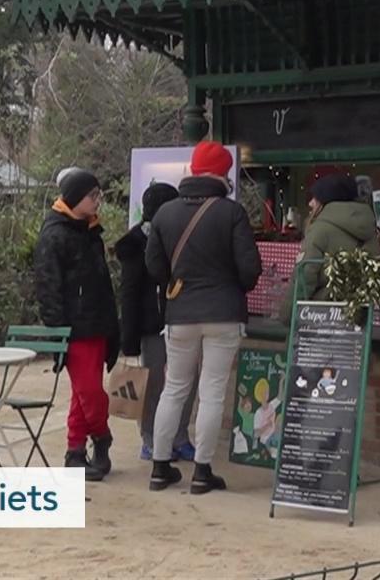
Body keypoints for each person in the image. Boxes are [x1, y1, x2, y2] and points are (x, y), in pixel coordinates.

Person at [143, 141, 261, 494]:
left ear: (192, 171)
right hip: (224, 312)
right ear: (223, 174)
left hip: (180, 313)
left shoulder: (164, 213)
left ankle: (160, 467)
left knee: (174, 389)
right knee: (211, 393)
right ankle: (202, 471)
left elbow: (154, 266)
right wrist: (231, 287)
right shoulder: (231, 212)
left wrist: (176, 284)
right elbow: (249, 269)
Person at [32, 167, 120, 480]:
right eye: (92, 195)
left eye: (98, 195)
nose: (98, 201)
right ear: (74, 198)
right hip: (74, 327)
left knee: (83, 394)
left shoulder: (91, 231)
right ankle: (101, 436)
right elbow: (47, 286)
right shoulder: (55, 235)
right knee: (89, 392)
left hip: (97, 323)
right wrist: (57, 329)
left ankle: (75, 451)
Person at [113, 180, 196, 462]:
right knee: (153, 383)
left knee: (186, 381)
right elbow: (129, 293)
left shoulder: (182, 237)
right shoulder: (134, 245)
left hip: (184, 319)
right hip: (152, 325)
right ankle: (149, 437)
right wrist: (130, 340)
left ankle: (180, 436)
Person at [283, 173, 380, 315]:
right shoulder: (369, 227)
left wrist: (288, 315)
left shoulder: (319, 229)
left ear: (326, 200)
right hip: (359, 317)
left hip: (319, 316)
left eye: (315, 198)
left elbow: (304, 279)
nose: (310, 203)